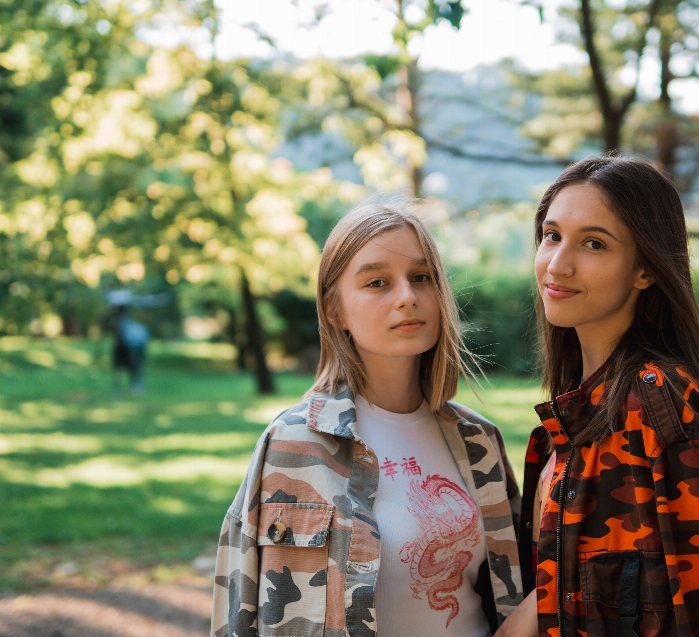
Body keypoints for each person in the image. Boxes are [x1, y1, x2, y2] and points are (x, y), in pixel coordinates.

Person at [500, 158, 699, 637]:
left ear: (644, 270)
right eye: (552, 236)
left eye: (594, 243)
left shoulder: (655, 405)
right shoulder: (576, 416)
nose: (558, 263)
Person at [212, 203, 524, 637]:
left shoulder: (478, 441)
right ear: (335, 309)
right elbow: (239, 612)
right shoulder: (292, 444)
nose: (407, 297)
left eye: (421, 277)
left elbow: (516, 598)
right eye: (377, 282)